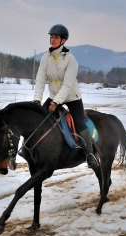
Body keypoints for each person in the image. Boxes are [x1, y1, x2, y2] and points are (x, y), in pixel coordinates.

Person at [33, 24, 99, 169]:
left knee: (80, 123)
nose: (52, 39)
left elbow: (68, 84)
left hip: (71, 97)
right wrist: (37, 99)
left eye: (56, 37)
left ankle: (89, 154)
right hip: (53, 96)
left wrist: (56, 102)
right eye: (51, 37)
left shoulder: (70, 60)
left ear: (63, 40)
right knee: (41, 119)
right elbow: (40, 79)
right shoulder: (45, 58)